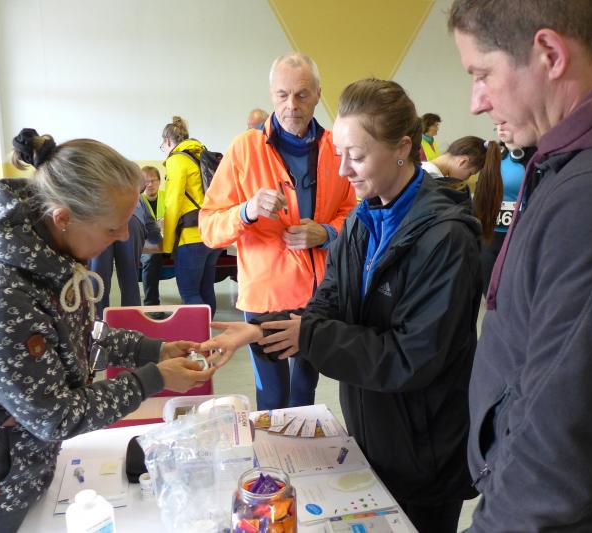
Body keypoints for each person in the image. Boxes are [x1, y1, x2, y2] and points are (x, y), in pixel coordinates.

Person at [202, 78, 482, 533]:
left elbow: (410, 357)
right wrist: (261, 330)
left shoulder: (445, 238)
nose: (345, 170)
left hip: (425, 449)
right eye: (339, 156)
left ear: (402, 149)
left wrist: (309, 336)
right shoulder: (361, 222)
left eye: (357, 156)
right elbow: (328, 302)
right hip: (373, 433)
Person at [0, 129, 215, 532]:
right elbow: (55, 415)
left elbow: (76, 337)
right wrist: (153, 379)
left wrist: (152, 350)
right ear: (63, 218)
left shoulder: (48, 254)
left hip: (20, 471)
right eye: (113, 229)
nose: (125, 237)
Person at [449, 0, 592, 530]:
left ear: (550, 54)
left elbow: (557, 454)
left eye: (482, 74)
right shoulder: (590, 159)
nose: (476, 102)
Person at [199, 53, 357, 411]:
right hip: (266, 298)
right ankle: (271, 449)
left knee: (304, 392)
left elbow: (354, 214)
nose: (291, 106)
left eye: (302, 94)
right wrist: (247, 211)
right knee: (272, 398)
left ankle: (301, 446)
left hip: (318, 298)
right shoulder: (244, 149)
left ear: (318, 94)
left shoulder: (336, 147)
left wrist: (327, 233)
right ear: (272, 94)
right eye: (283, 95)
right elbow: (209, 228)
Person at [159, 116, 223, 316]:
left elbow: (173, 203)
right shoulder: (202, 154)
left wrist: (167, 245)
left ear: (168, 141)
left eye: (162, 145)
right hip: (213, 235)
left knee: (190, 293)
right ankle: (208, 330)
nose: (163, 149)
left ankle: (198, 333)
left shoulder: (176, 160)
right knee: (206, 289)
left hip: (191, 238)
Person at [88, 168, 162, 318]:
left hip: (101, 223)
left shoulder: (96, 191)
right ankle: (131, 322)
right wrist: (159, 240)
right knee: (129, 278)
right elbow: (151, 225)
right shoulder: (136, 195)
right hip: (130, 222)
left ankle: (97, 322)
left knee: (98, 279)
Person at [479, 124, 535, 294]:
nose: (500, 129)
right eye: (496, 125)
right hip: (491, 233)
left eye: (505, 124)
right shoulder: (490, 156)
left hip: (522, 234)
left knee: (516, 289)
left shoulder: (536, 157)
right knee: (489, 287)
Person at [420, 135, 503, 241]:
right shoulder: (429, 181)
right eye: (470, 173)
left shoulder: (419, 172)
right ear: (463, 161)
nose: (467, 178)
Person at [139, 165, 166, 306]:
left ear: (159, 181)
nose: (150, 184)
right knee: (151, 258)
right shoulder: (137, 199)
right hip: (147, 243)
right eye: (146, 181)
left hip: (168, 239)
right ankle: (151, 304)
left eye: (153, 180)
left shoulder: (167, 196)